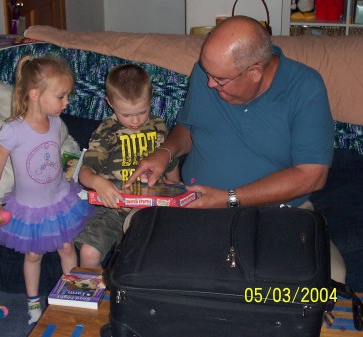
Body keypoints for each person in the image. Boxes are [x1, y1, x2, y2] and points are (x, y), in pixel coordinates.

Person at [126, 16, 346, 282]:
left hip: (278, 214)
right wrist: (165, 153)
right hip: (196, 205)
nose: (209, 84)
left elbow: (312, 174)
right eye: (206, 73)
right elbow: (190, 128)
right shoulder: (207, 73)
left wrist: (230, 198)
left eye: (219, 79)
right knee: (137, 230)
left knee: (332, 276)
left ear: (255, 72)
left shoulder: (305, 87)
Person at [0, 55, 93, 325]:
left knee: (67, 248)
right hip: (30, 207)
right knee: (33, 254)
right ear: (35, 94)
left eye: (67, 96)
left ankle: (71, 297)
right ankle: (33, 301)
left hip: (60, 199)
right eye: (61, 96)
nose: (66, 102)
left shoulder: (56, 122)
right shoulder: (13, 130)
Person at [75, 64, 180, 269]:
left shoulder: (159, 125)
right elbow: (84, 174)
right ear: (110, 103)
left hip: (152, 207)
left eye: (142, 112)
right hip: (115, 207)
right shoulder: (106, 131)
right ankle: (94, 298)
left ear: (151, 98)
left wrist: (177, 189)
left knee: (151, 252)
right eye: (126, 114)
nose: (135, 121)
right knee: (89, 251)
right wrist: (98, 183)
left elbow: (170, 163)